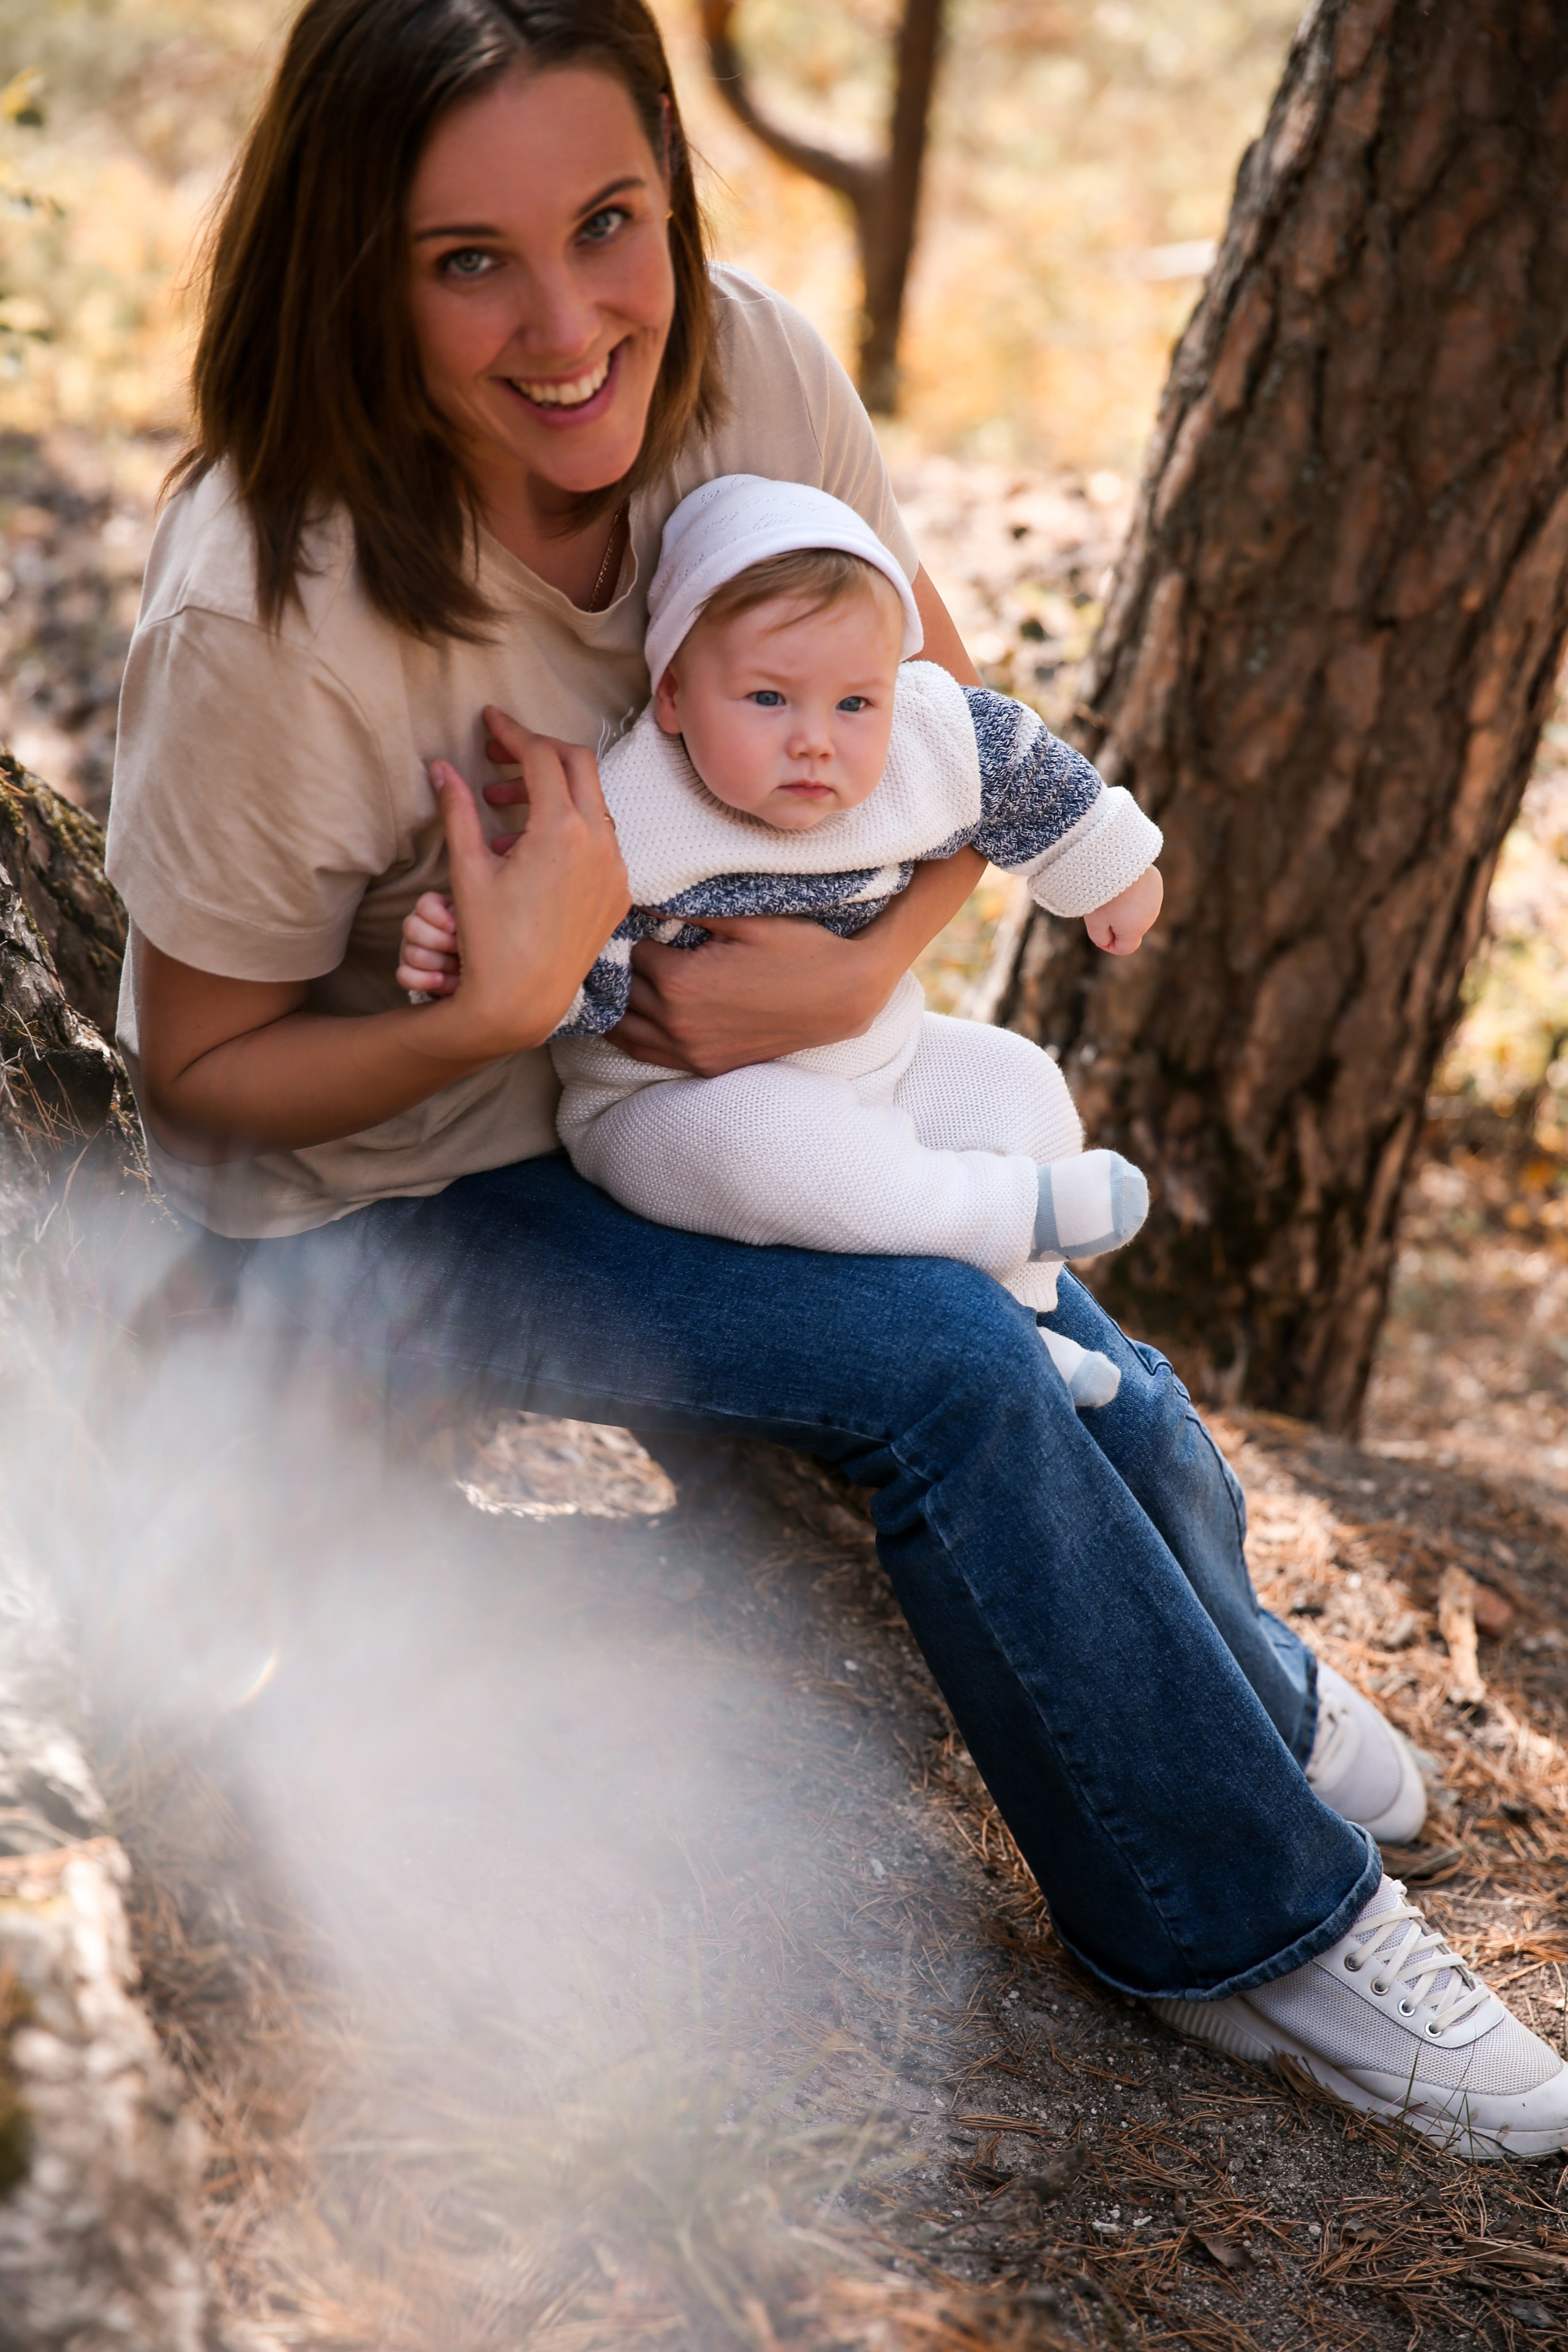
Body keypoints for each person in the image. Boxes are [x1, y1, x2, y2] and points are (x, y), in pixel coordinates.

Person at [103, 0, 1568, 2157]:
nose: (573, 325)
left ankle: (1237, 1699)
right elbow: (201, 1082)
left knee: (1060, 1316)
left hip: (730, 1092)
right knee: (948, 1359)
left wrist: (846, 976)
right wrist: (497, 1016)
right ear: (353, 267)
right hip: (398, 1194)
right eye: (468, 259)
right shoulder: (264, 605)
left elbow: (936, 726)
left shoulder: (754, 368)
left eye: (616, 224)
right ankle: (1248, 1934)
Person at [397, 473, 1161, 1408]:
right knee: (767, 1146)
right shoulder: (636, 812)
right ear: (674, 695)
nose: (816, 742)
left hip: (877, 1058)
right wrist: (466, 954)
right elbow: (571, 979)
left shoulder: (920, 742)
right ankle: (1005, 1219)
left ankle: (1025, 1323)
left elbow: (1012, 765)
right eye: (767, 698)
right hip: (676, 1108)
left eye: (854, 704)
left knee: (1019, 1085)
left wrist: (1106, 866)